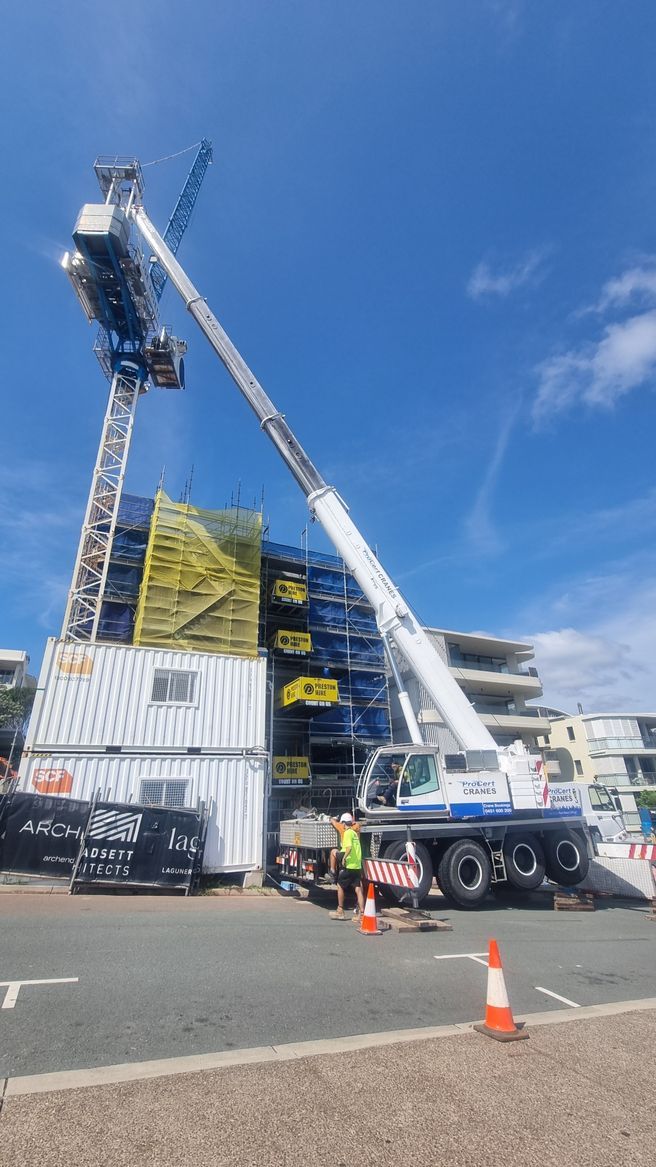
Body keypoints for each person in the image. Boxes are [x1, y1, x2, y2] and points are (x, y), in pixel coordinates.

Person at [330, 819, 365, 920]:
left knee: (340, 885)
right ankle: (362, 914)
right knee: (358, 889)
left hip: (349, 865)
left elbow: (348, 848)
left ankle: (340, 910)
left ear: (344, 824)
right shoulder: (355, 833)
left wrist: (344, 858)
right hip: (357, 866)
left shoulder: (348, 833)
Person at [327, 812, 361, 883]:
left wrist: (331, 818)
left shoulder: (342, 827)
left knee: (333, 851)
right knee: (357, 884)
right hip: (355, 856)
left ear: (344, 822)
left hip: (345, 853)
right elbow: (357, 824)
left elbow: (334, 822)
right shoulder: (357, 827)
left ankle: (332, 872)